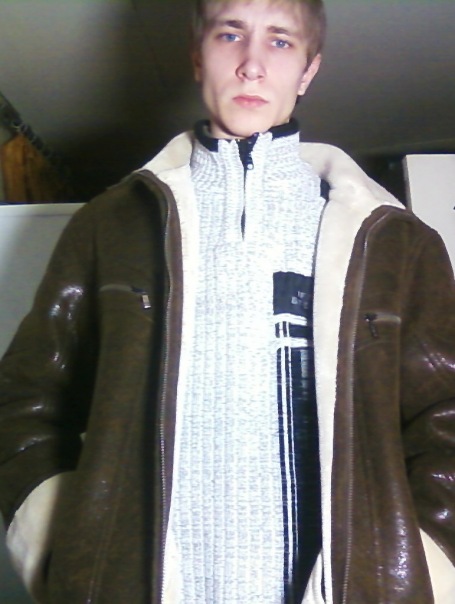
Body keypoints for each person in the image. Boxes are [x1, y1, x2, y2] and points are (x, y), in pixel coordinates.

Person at [1, 0, 455, 602]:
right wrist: (63, 541)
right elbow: (25, 401)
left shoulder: (397, 241)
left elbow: (446, 416)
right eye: (231, 34)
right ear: (198, 56)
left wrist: (425, 560)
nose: (252, 64)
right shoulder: (109, 225)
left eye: (280, 41)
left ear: (309, 70)